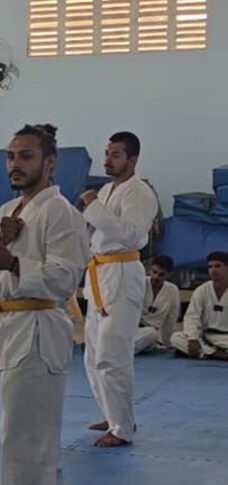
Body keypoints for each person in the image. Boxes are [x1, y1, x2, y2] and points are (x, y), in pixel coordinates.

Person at [0, 124, 89, 485]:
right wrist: (2, 244)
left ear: (50, 162)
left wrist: (15, 261)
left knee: (24, 441)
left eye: (25, 156)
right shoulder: (8, 211)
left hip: (39, 330)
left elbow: (65, 277)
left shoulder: (61, 213)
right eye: (10, 156)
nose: (15, 164)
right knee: (31, 434)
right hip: (10, 326)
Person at [80, 132, 159, 448]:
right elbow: (96, 232)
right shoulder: (106, 190)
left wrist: (93, 207)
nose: (108, 160)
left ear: (132, 159)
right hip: (99, 273)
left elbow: (131, 235)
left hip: (122, 273)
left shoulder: (139, 192)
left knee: (113, 356)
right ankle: (112, 413)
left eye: (115, 155)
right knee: (92, 355)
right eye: (107, 153)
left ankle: (122, 427)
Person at [170, 251, 228, 360]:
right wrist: (193, 338)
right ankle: (216, 354)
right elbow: (192, 316)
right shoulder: (202, 290)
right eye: (210, 267)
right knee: (176, 338)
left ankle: (205, 353)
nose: (213, 270)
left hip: (226, 338)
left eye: (217, 266)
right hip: (206, 337)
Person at [135, 255, 180, 353]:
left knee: (152, 338)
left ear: (168, 275)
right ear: (149, 269)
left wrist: (167, 343)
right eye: (154, 272)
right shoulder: (140, 283)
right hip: (132, 328)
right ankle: (122, 349)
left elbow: (171, 319)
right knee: (151, 334)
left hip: (149, 335)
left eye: (161, 275)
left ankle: (125, 349)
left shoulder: (172, 290)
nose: (156, 277)